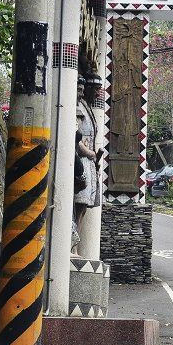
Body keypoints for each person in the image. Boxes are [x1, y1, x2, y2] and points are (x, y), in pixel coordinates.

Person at [72, 77, 98, 253]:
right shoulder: (77, 108)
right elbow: (75, 136)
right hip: (80, 161)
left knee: (83, 207)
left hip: (87, 163)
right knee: (77, 205)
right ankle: (72, 246)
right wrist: (89, 153)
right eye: (79, 90)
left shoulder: (85, 106)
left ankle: (75, 245)